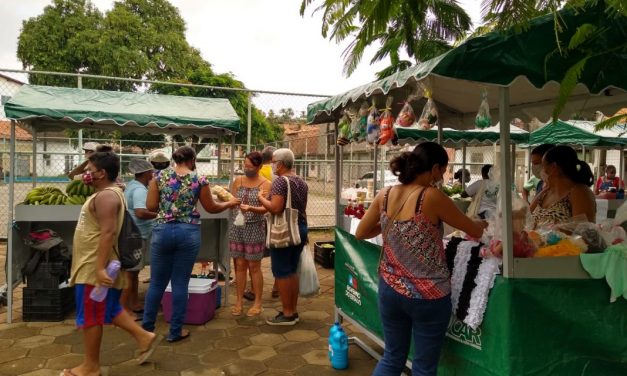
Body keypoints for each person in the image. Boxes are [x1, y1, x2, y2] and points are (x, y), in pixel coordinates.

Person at [355, 142, 486, 376]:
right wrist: (483, 223)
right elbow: (473, 230)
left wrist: (389, 224)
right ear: (435, 168)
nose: (442, 176)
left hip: (390, 288)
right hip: (429, 295)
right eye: (443, 171)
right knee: (424, 368)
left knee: (392, 357)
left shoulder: (385, 194)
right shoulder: (432, 196)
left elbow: (361, 232)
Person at [66, 146, 161, 376]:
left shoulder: (107, 196)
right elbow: (73, 175)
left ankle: (90, 367)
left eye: (90, 170)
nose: (84, 174)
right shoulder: (107, 192)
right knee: (108, 308)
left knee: (90, 316)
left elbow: (108, 233)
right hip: (94, 265)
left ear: (102, 174)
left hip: (93, 266)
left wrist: (99, 268)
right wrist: (91, 160)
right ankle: (144, 336)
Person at [143, 146, 239, 342]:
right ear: (192, 160)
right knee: (180, 283)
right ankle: (175, 331)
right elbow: (211, 208)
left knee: (157, 283)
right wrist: (230, 203)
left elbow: (151, 207)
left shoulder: (158, 177)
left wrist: (166, 206)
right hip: (188, 233)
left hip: (162, 231)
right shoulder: (199, 180)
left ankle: (146, 331)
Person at [258, 148, 309, 326]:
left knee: (281, 272)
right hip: (299, 229)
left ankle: (287, 314)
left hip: (284, 231)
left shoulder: (280, 181)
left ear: (280, 164)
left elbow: (275, 208)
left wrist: (261, 198)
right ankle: (292, 310)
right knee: (291, 270)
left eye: (273, 162)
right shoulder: (301, 181)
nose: (271, 165)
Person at [229, 151, 271, 317]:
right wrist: (229, 201)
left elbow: (267, 208)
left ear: (259, 166)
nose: (247, 169)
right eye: (245, 165)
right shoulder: (238, 180)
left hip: (255, 228)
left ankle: (258, 302)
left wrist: (252, 208)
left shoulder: (266, 184)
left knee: (254, 266)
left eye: (250, 166)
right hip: (237, 227)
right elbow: (231, 200)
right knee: (239, 265)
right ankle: (238, 301)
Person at [121, 159, 158, 320]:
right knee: (129, 274)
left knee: (134, 273)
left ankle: (134, 303)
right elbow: (141, 212)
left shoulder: (133, 185)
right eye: (151, 171)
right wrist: (160, 215)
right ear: (145, 173)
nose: (153, 174)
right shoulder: (140, 190)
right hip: (135, 235)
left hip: (133, 234)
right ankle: (123, 311)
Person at [531, 145, 596, 228]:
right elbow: (527, 215)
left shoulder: (580, 192)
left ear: (554, 167)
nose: (541, 171)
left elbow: (585, 232)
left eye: (543, 166)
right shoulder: (545, 192)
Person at [259, 146, 280, 299]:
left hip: (259, 214)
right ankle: (277, 286)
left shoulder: (258, 170)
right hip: (275, 216)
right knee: (277, 253)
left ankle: (254, 286)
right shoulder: (277, 172)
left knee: (256, 254)